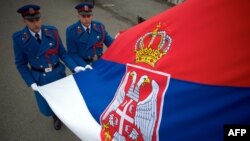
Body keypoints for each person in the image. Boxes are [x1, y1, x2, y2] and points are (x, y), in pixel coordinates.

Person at [12, 4, 86, 130]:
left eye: (37, 19)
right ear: (24, 20)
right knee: (49, 103)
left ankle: (66, 117)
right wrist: (30, 82)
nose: (36, 24)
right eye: (31, 20)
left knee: (64, 98)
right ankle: (55, 117)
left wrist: (74, 67)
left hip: (58, 74)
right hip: (41, 79)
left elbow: (62, 53)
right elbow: (21, 64)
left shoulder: (52, 31)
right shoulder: (19, 38)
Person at [66, 2, 114, 66]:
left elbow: (111, 44)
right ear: (78, 16)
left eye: (88, 16)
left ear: (92, 16)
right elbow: (72, 53)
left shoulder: (99, 27)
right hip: (83, 65)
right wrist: (84, 66)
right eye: (83, 16)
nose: (86, 19)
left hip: (100, 63)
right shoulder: (71, 31)